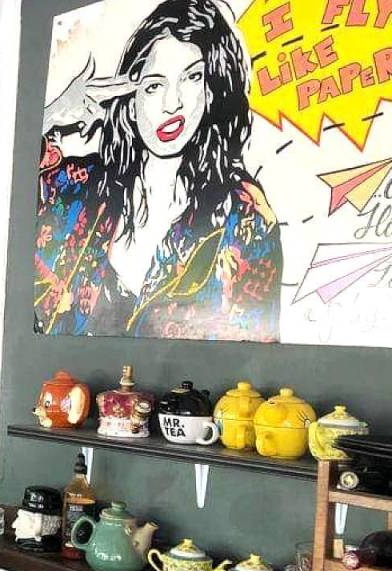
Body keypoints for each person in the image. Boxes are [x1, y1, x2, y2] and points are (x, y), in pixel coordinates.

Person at [34, 0, 281, 340]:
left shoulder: (245, 214)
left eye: (192, 77)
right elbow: (10, 194)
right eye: (154, 85)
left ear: (212, 89)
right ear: (131, 101)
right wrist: (53, 114)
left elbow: (256, 350)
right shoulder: (81, 185)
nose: (172, 103)